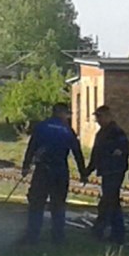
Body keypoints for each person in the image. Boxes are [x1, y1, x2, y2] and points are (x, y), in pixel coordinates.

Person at [21, 103, 87, 244]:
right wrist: (83, 172)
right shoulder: (68, 130)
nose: (68, 117)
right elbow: (77, 152)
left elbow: (31, 147)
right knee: (58, 205)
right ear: (62, 113)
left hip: (42, 170)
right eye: (67, 114)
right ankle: (58, 238)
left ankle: (32, 236)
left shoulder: (42, 127)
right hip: (60, 171)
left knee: (37, 203)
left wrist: (26, 166)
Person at [85, 105, 129, 244]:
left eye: (100, 117)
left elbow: (122, 152)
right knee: (112, 202)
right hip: (107, 171)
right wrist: (88, 171)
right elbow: (96, 154)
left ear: (108, 116)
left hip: (114, 172)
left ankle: (103, 231)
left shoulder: (117, 133)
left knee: (108, 201)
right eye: (97, 117)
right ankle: (115, 234)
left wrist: (115, 161)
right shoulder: (101, 133)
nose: (98, 120)